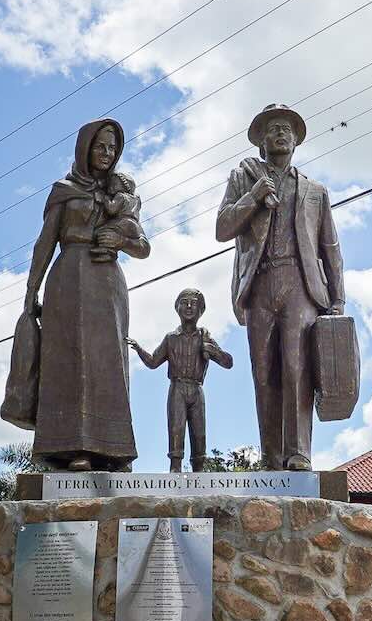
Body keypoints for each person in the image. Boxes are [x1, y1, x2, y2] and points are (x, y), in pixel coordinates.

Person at [12, 118, 150, 471]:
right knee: (69, 361)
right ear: (85, 147)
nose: (107, 153)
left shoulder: (124, 195)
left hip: (108, 282)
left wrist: (121, 241)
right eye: (101, 145)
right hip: (68, 278)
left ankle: (115, 450)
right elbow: (44, 243)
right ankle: (74, 448)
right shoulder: (64, 189)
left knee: (109, 362)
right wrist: (31, 290)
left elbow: (143, 246)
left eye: (112, 147)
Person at [214, 103, 345, 471]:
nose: (280, 133)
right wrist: (254, 195)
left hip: (300, 284)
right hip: (259, 283)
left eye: (286, 128)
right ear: (261, 140)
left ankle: (299, 452)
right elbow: (222, 228)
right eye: (273, 128)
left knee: (296, 366)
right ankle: (272, 457)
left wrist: (338, 298)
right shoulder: (245, 178)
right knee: (263, 372)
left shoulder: (315, 191)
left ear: (296, 140)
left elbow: (330, 248)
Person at [129, 288, 233, 471]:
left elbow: (228, 363)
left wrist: (212, 350)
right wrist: (138, 349)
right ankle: (175, 468)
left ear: (201, 310)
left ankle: (199, 470)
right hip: (177, 387)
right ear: (177, 308)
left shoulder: (205, 336)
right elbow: (153, 362)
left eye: (194, 303)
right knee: (176, 430)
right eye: (185, 302)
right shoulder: (171, 338)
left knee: (199, 433)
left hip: (196, 388)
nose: (189, 307)